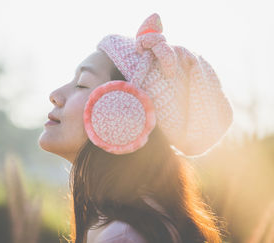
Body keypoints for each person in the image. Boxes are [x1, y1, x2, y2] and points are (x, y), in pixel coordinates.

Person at [38, 13, 233, 243]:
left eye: (81, 84)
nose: (55, 96)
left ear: (125, 112)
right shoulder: (126, 227)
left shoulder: (123, 237)